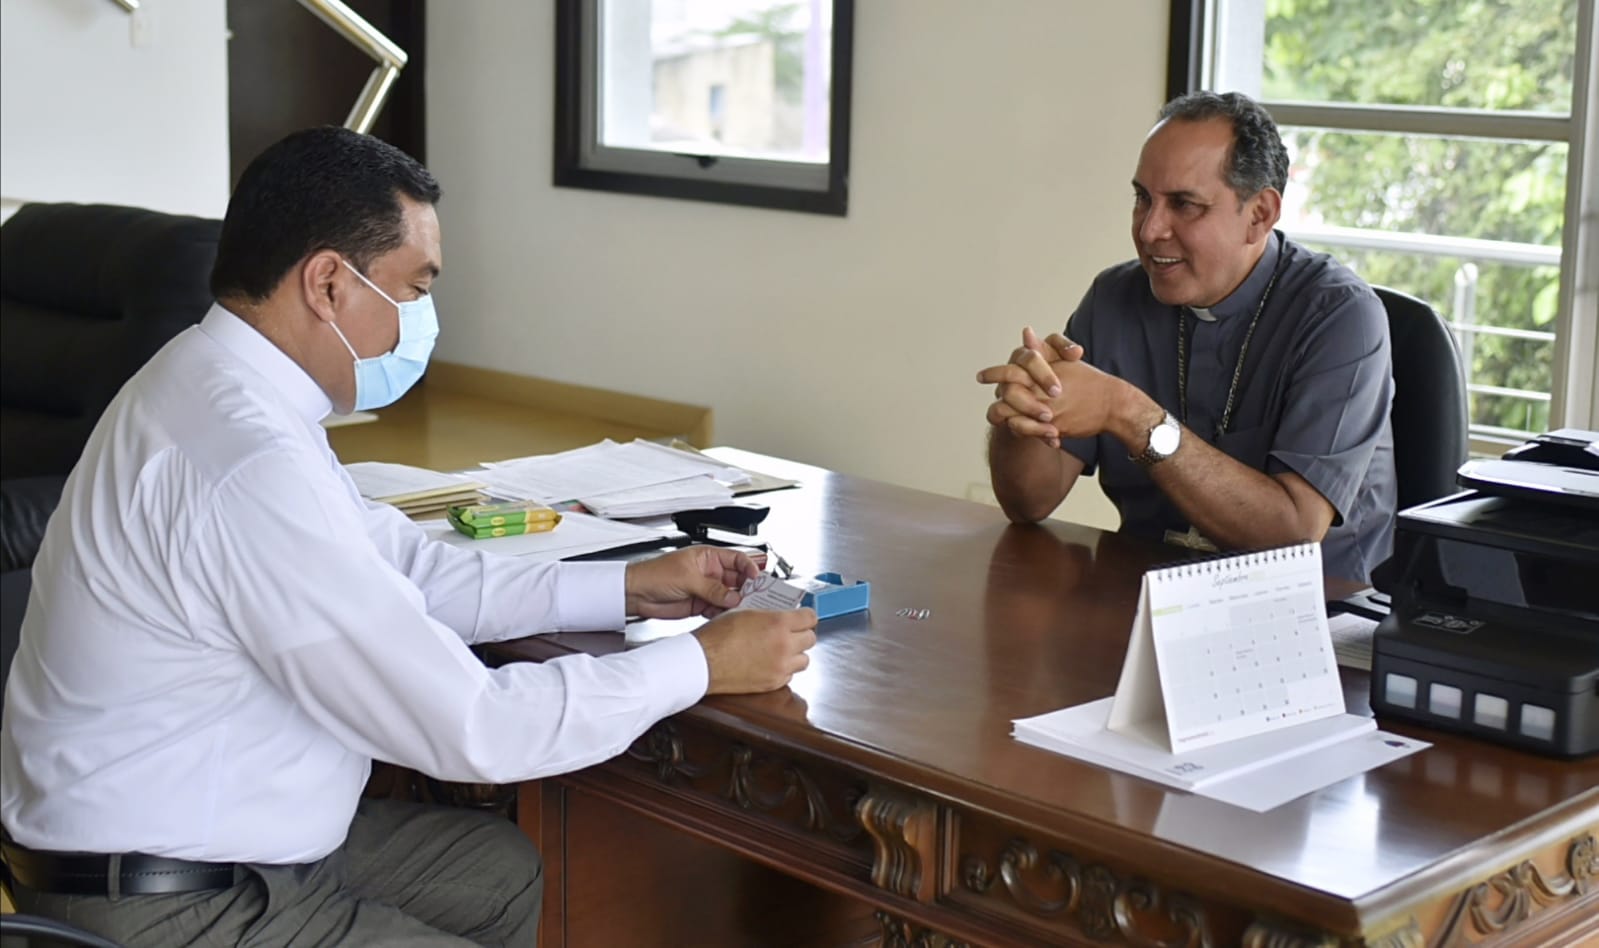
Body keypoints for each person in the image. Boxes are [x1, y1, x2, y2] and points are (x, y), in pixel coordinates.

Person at [0, 126, 817, 947]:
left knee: (497, 875)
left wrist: (629, 584)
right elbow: (476, 728)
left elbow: (406, 568)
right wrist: (701, 663)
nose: (420, 319)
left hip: (190, 834)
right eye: (414, 288)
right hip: (168, 903)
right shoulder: (248, 463)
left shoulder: (210, 382)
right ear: (327, 281)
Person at [978, 91, 1396, 582]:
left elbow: (1293, 531)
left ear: (1259, 214)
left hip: (1316, 615)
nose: (1150, 229)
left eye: (1184, 205)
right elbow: (1027, 502)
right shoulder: (1114, 297)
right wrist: (1024, 412)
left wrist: (1130, 414)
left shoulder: (1342, 316)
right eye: (1143, 199)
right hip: (1153, 599)